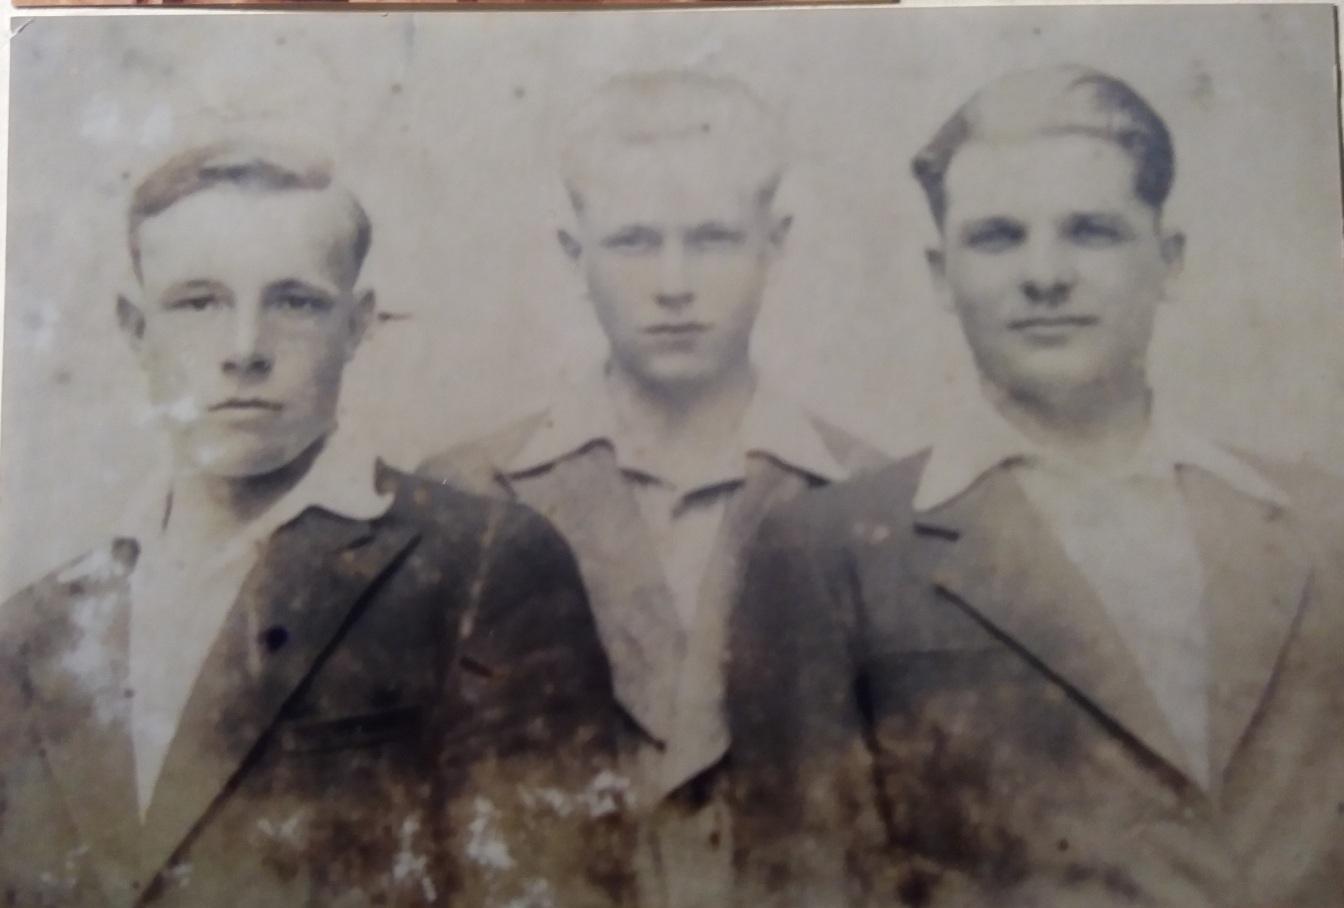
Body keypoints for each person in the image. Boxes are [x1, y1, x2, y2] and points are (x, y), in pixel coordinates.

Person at [728, 65, 1344, 907]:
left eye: (1091, 231)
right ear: (941, 275)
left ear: (1168, 261)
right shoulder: (829, 552)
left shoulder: (1319, 520)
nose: (1045, 275)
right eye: (998, 238)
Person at [0, 142, 628, 907]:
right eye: (199, 303)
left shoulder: (479, 567)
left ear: (357, 325)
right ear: (135, 327)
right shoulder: (36, 631)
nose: (244, 350)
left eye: (295, 302)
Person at [419, 72, 887, 908]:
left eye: (712, 239)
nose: (674, 284)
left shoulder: (872, 497)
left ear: (774, 244)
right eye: (634, 242)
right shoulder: (469, 496)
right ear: (575, 254)